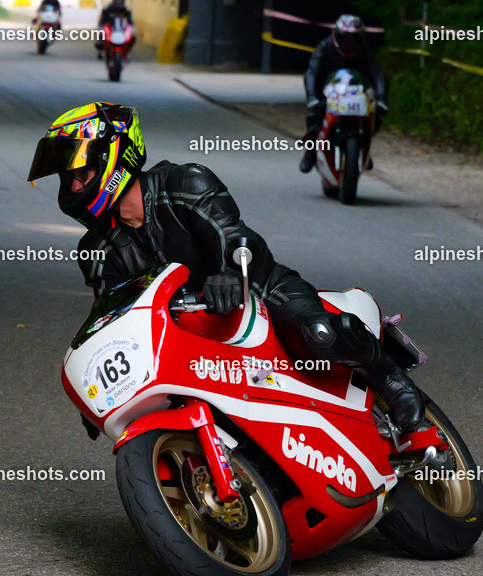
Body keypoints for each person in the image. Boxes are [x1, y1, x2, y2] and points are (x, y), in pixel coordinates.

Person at [28, 102, 425, 431]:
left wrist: (230, 274)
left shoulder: (185, 183)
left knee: (316, 333)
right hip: (190, 336)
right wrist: (96, 379)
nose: (75, 187)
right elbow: (110, 314)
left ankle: (390, 380)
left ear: (115, 154)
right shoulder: (96, 249)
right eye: (68, 178)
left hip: (260, 293)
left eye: (81, 173)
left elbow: (235, 236)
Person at [300, 14, 388, 173]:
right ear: (336, 36)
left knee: (377, 118)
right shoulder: (324, 47)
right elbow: (312, 72)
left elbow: (377, 74)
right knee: (315, 117)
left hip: (355, 94)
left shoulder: (365, 51)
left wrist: (381, 98)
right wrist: (312, 97)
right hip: (327, 94)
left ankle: (362, 146)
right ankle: (311, 151)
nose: (349, 44)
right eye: (345, 39)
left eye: (354, 39)